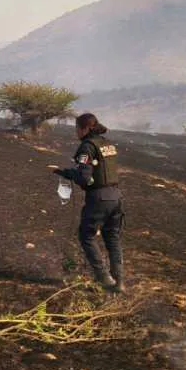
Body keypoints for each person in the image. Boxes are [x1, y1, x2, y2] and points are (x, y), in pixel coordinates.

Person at [52, 113, 125, 292]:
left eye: (77, 128)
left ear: (84, 128)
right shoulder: (107, 144)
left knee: (86, 235)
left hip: (98, 199)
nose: (76, 132)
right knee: (113, 238)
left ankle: (104, 278)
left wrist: (63, 172)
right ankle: (119, 281)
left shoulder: (87, 146)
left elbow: (84, 178)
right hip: (116, 197)